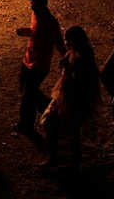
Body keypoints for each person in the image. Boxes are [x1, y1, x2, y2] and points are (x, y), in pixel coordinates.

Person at [41, 26, 100, 169]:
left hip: (73, 98)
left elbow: (79, 79)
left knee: (53, 124)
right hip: (67, 95)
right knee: (69, 131)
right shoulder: (78, 52)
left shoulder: (81, 58)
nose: (65, 42)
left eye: (67, 39)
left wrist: (67, 69)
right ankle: (67, 160)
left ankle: (61, 160)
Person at [14, 0, 65, 137]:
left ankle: (26, 126)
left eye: (34, 6)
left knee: (28, 96)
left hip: (39, 65)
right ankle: (51, 110)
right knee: (27, 91)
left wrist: (67, 58)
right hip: (28, 60)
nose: (32, 8)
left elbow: (59, 43)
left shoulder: (51, 22)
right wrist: (24, 31)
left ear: (42, 5)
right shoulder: (35, 14)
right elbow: (35, 31)